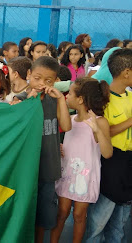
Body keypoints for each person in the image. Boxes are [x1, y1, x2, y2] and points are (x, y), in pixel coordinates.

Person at [14, 56, 72, 243]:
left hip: (48, 167)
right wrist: (29, 103)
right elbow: (14, 126)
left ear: (55, 81)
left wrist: (61, 100)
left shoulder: (55, 100)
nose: (41, 83)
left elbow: (66, 125)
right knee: (24, 213)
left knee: (44, 217)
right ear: (29, 74)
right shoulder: (19, 99)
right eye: (37, 78)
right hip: (25, 169)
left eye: (48, 80)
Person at [51, 78, 112, 243]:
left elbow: (107, 153)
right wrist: (61, 147)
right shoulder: (70, 120)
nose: (66, 97)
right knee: (62, 212)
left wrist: (97, 130)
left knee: (79, 215)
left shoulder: (100, 122)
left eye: (69, 93)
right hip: (68, 173)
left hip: (85, 177)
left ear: (80, 99)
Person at [84, 49, 132, 243]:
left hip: (128, 164)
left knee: (120, 223)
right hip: (111, 163)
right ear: (126, 72)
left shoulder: (129, 97)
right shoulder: (104, 100)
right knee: (98, 221)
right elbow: (103, 133)